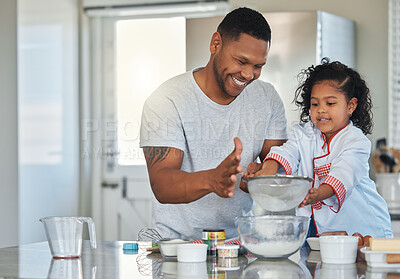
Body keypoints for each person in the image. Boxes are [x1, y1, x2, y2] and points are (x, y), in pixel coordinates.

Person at [139, 7, 287, 240]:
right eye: (241, 61)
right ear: (216, 44)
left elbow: (280, 160)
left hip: (239, 244)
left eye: (258, 66)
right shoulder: (167, 99)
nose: (249, 74)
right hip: (177, 246)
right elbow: (162, 184)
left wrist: (263, 177)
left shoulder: (267, 98)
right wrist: (212, 180)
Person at [246, 58, 392, 238]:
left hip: (365, 229)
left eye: (330, 103)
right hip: (321, 234)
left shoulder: (356, 142)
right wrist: (266, 169)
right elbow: (288, 152)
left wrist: (317, 194)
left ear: (351, 106)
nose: (321, 110)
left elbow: (343, 174)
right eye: (315, 104)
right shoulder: (303, 133)